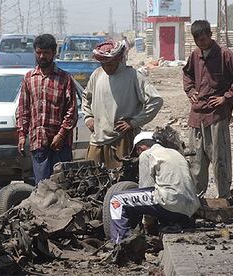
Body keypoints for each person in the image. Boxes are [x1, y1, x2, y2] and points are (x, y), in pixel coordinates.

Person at [183, 20, 233, 198]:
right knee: (195, 161)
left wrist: (226, 97)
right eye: (198, 40)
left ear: (210, 36)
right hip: (197, 116)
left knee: (220, 158)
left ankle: (224, 196)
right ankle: (196, 199)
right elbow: (187, 74)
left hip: (216, 115)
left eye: (204, 39)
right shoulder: (195, 56)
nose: (201, 43)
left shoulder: (224, 55)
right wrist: (190, 90)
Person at [82, 39, 163, 169]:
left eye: (109, 64)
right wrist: (88, 117)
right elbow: (86, 97)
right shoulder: (97, 75)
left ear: (118, 59)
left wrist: (134, 122)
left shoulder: (133, 76)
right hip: (97, 138)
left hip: (122, 139)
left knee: (121, 180)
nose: (106, 68)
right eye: (103, 64)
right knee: (92, 179)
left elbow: (156, 100)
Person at [109, 132, 200, 243]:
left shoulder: (146, 154)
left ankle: (122, 243)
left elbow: (146, 187)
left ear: (140, 148)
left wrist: (147, 223)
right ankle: (177, 223)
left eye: (137, 152)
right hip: (190, 208)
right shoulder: (175, 153)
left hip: (170, 203)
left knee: (116, 199)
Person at [16, 34, 78, 184]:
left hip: (60, 145)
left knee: (62, 186)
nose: (42, 56)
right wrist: (22, 134)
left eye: (46, 53)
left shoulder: (64, 78)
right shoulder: (29, 78)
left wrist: (61, 135)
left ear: (53, 53)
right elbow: (23, 109)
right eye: (38, 52)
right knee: (42, 188)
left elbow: (72, 112)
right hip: (38, 142)